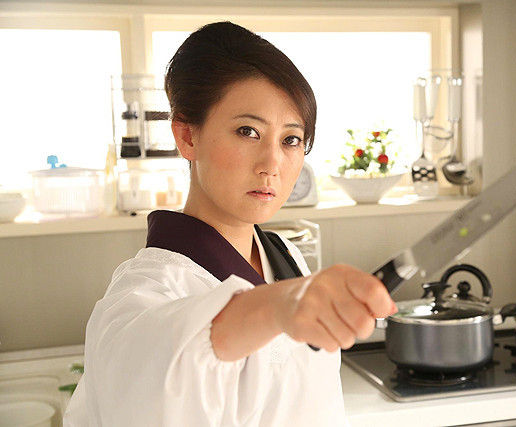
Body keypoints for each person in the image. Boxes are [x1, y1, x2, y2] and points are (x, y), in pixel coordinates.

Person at [63, 21, 397, 426]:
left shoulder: (286, 257)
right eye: (247, 131)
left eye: (290, 139)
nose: (272, 164)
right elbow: (153, 373)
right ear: (187, 137)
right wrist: (279, 306)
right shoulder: (143, 291)